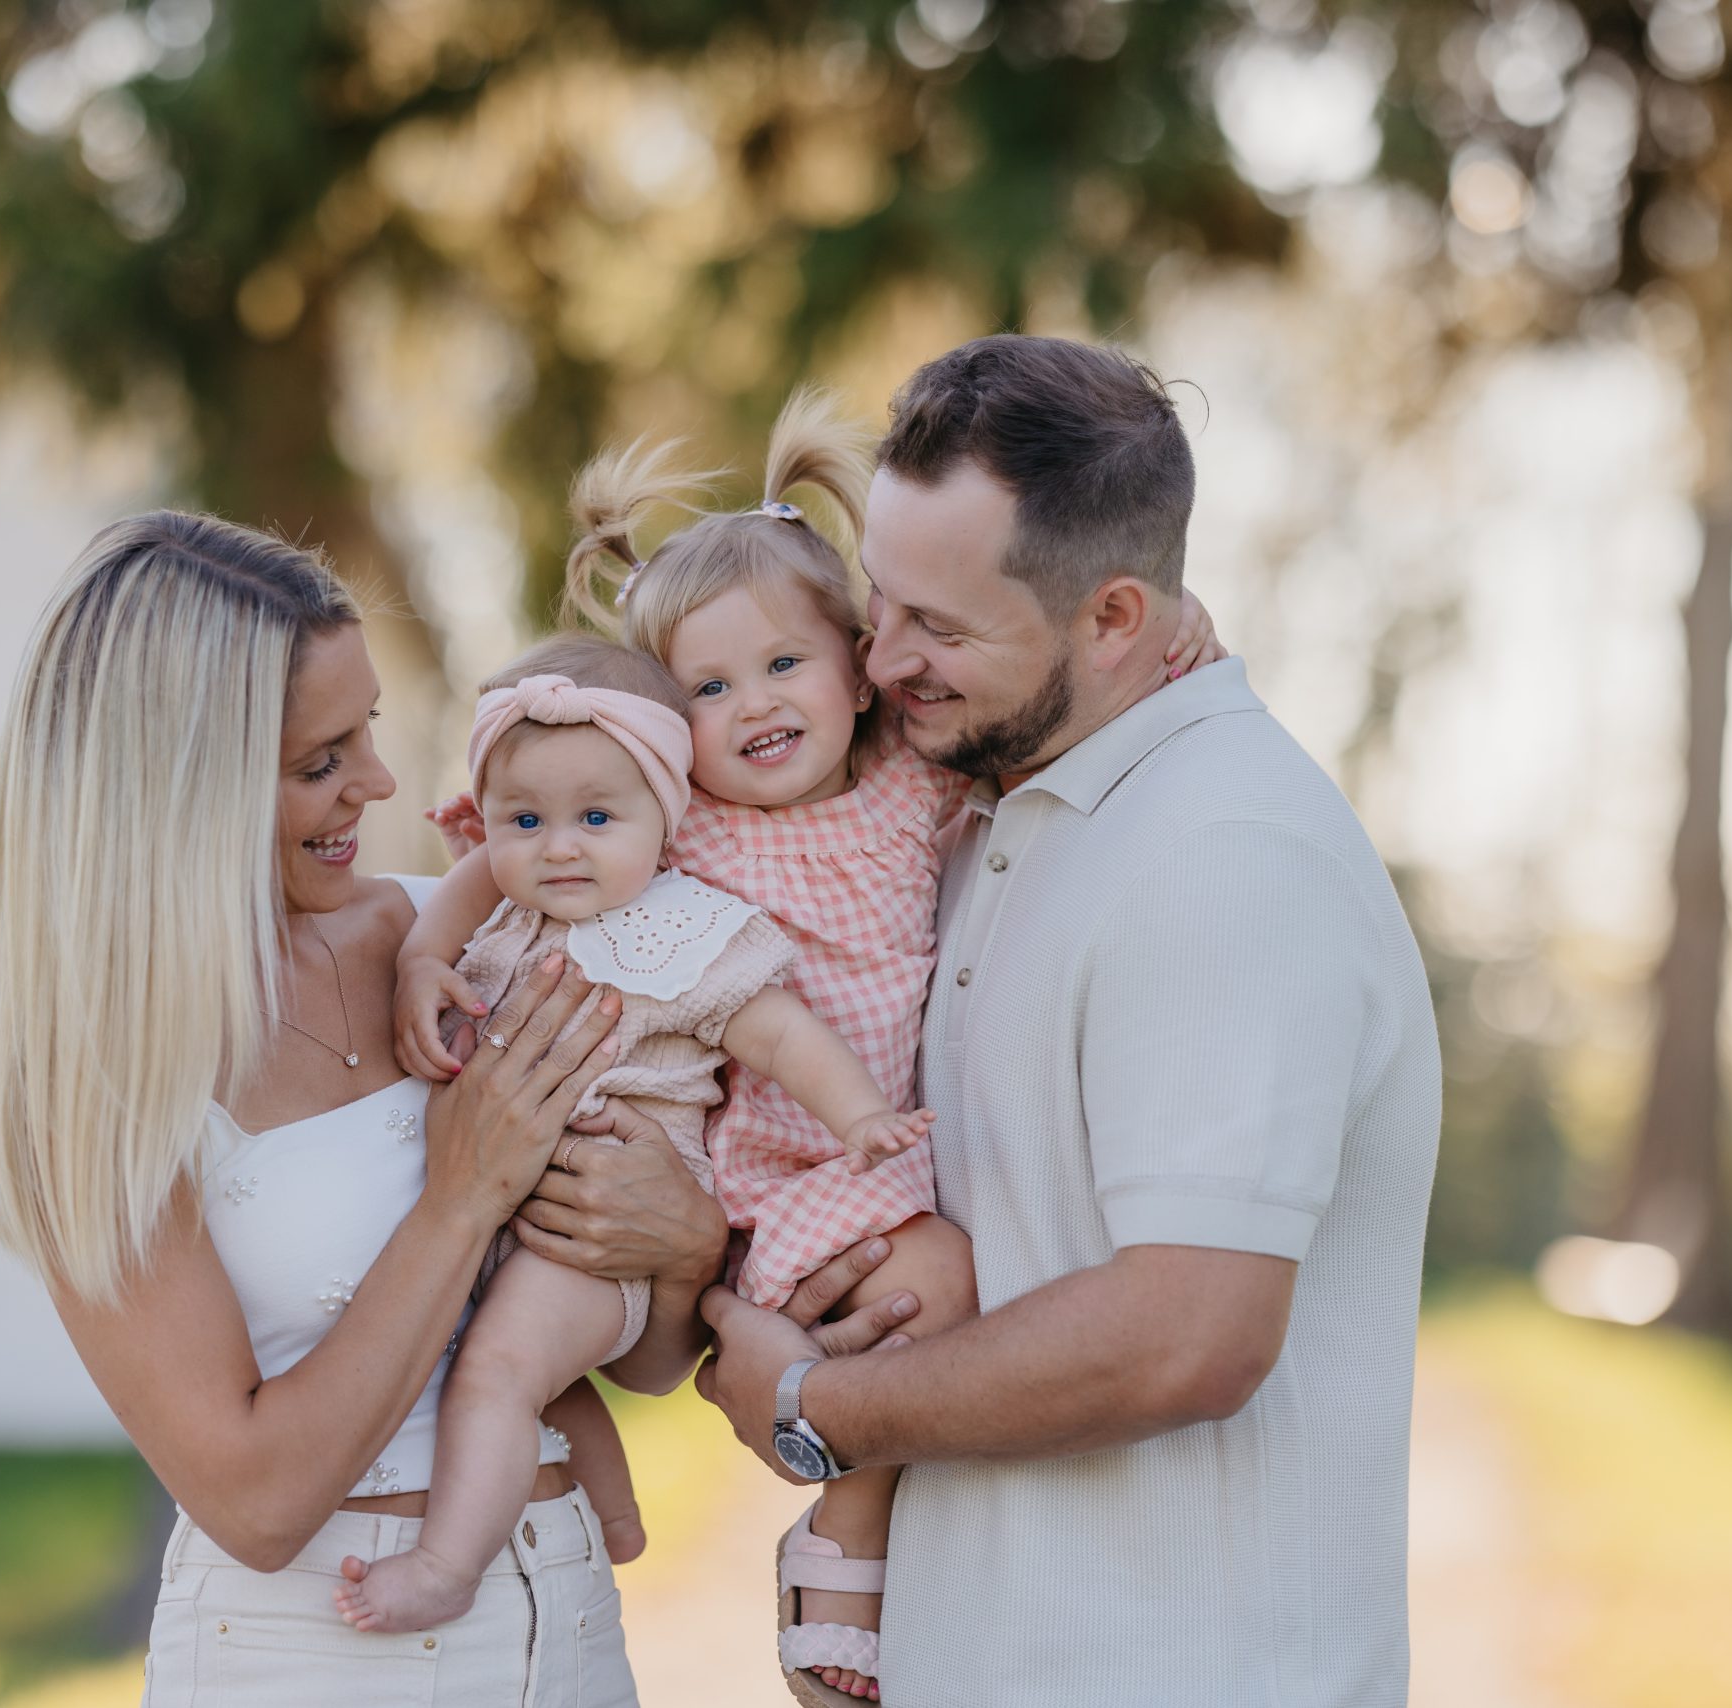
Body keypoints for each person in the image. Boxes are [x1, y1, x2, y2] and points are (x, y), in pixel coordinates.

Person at [0, 511, 916, 1706]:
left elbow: (652, 1363)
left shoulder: (461, 941)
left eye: (363, 730)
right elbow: (253, 1502)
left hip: (566, 1625)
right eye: (321, 760)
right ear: (179, 787)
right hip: (315, 1653)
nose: (381, 782)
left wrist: (679, 1243)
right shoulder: (95, 1081)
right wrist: (460, 1199)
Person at [411, 394, 1221, 1704]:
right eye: (710, 690)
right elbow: (500, 850)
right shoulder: (684, 834)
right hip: (769, 1169)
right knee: (943, 1283)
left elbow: (1059, 713)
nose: (756, 706)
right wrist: (422, 951)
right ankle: (840, 1539)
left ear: (856, 669)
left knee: (933, 1301)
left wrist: (1173, 636)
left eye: (784, 666)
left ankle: (836, 1513)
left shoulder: (917, 781)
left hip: (873, 1146)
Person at [695, 336, 1444, 1708]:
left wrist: (818, 1414)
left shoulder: (1225, 855)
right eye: (881, 601)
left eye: (942, 629)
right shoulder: (994, 802)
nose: (880, 655)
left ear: (1113, 619)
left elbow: (1190, 1330)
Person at [336, 635, 932, 1638]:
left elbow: (782, 1033)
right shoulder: (508, 913)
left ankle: (444, 1565)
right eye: (526, 819)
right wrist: (416, 969)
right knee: (488, 1357)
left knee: (497, 1369)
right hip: (501, 1213)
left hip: (599, 1230)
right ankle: (609, 1509)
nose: (559, 846)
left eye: (597, 818)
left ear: (666, 817)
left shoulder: (686, 932)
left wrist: (859, 1115)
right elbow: (457, 898)